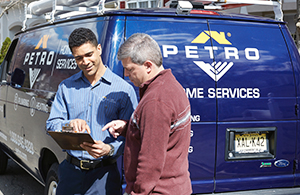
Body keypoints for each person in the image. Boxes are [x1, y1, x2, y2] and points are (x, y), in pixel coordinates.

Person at [46, 28, 138, 195]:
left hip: (104, 176)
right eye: (78, 58)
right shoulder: (66, 87)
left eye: (89, 54)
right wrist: (69, 125)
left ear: (99, 49)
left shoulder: (124, 90)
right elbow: (51, 125)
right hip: (70, 173)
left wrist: (109, 149)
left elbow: (133, 137)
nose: (85, 61)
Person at [102, 33, 192, 195]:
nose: (127, 75)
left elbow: (151, 160)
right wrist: (129, 127)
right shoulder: (170, 85)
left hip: (158, 191)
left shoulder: (156, 101)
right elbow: (160, 131)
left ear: (148, 66)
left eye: (130, 69)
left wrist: (138, 193)